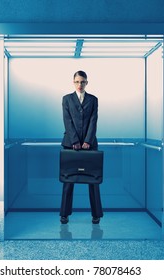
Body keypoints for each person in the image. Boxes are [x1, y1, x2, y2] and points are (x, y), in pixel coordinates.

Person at [60, 70, 103, 224]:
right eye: (77, 81)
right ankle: (64, 214)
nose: (80, 84)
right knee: (68, 180)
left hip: (90, 144)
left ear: (87, 82)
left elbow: (93, 121)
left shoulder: (93, 99)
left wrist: (88, 141)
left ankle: (96, 214)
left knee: (93, 180)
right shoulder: (67, 99)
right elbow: (67, 121)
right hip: (70, 144)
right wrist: (75, 141)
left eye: (83, 81)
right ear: (73, 82)